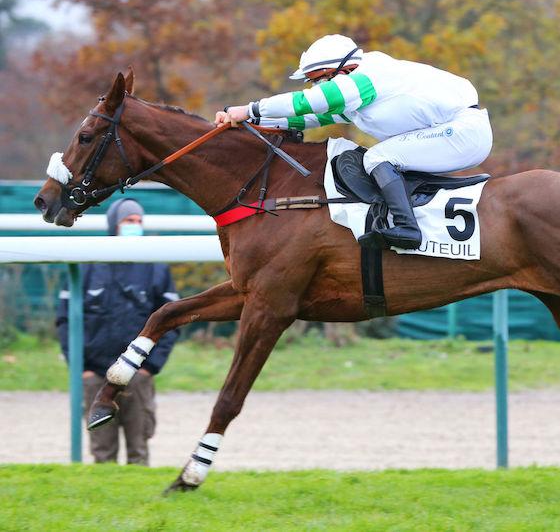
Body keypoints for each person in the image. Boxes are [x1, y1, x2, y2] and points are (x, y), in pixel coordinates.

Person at [216, 34, 493, 250]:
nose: (315, 87)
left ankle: (408, 229)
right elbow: (310, 117)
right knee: (381, 156)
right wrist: (249, 123)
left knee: (377, 157)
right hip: (453, 131)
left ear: (341, 70)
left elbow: (306, 103)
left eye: (318, 80)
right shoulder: (354, 89)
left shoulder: (367, 78)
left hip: (463, 133)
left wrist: (249, 109)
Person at [56, 198, 179, 465]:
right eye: (128, 221)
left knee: (139, 450)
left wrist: (150, 368)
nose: (134, 226)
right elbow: (65, 320)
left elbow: (172, 321)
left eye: (138, 221)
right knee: (102, 453)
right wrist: (81, 369)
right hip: (95, 376)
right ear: (114, 224)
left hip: (137, 375)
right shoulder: (87, 263)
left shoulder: (155, 266)